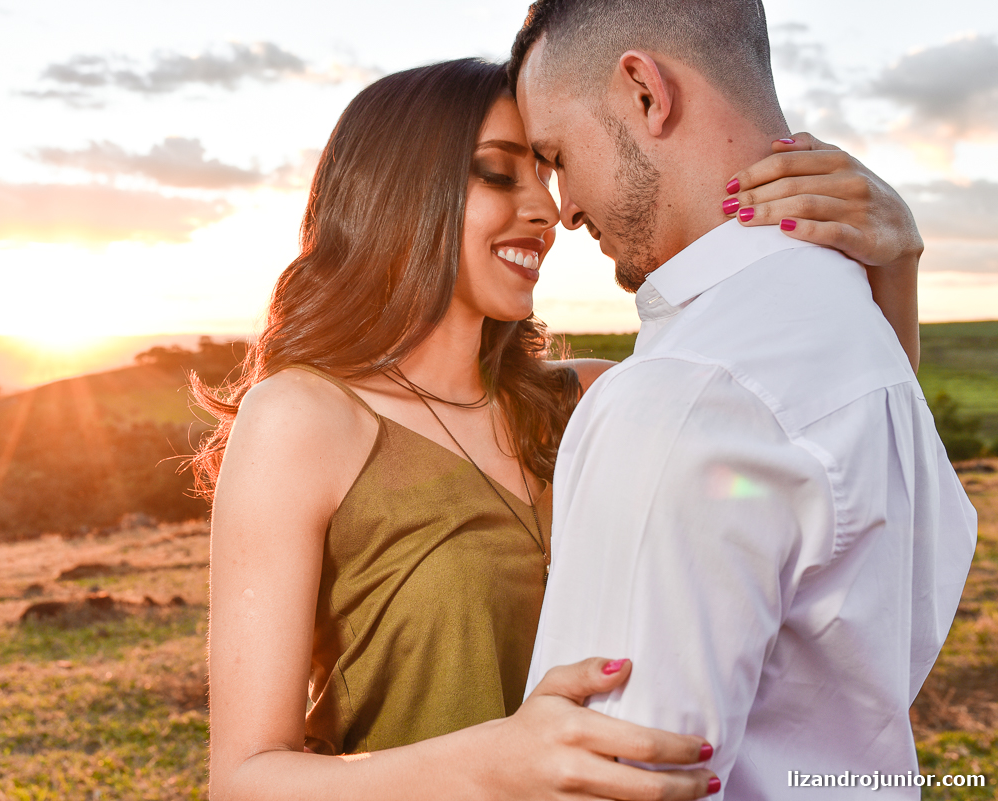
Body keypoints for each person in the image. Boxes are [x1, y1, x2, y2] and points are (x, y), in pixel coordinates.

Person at [197, 55, 929, 801]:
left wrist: (895, 262)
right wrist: (495, 763)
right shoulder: (302, 418)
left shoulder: (596, 398)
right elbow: (246, 777)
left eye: (546, 172)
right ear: (397, 189)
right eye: (499, 173)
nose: (548, 211)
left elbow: (847, 446)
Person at [509, 1, 978, 798]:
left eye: (556, 154)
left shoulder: (683, 397)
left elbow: (608, 780)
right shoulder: (854, 327)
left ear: (645, 93)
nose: (563, 206)